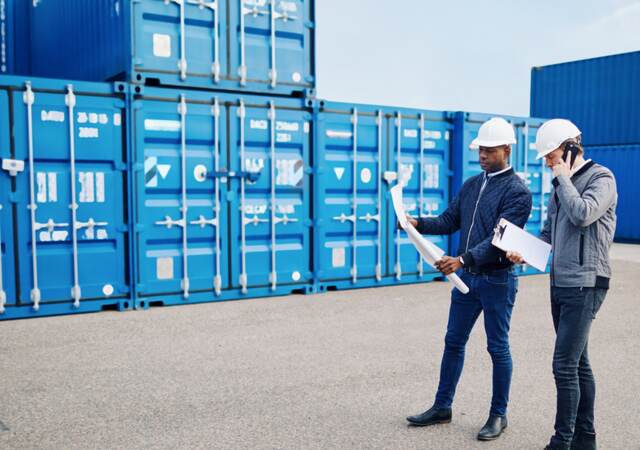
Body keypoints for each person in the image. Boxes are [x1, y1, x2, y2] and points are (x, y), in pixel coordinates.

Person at [403, 117, 532, 441]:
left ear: (506, 149)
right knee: (453, 342)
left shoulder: (518, 192)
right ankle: (442, 407)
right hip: (466, 281)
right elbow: (449, 220)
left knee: (497, 348)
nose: (483, 155)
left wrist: (461, 259)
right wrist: (416, 222)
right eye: (480, 150)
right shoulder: (472, 184)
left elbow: (498, 240)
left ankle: (498, 415)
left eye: (489, 150)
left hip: (496, 281)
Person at [506, 119, 617, 450]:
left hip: (587, 283)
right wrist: (522, 252)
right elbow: (548, 234)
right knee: (579, 363)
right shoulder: (560, 185)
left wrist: (563, 178)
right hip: (561, 284)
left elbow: (584, 213)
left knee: (564, 365)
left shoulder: (602, 178)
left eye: (552, 156)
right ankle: (586, 440)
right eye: (548, 159)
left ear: (572, 147)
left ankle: (562, 441)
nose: (548, 163)